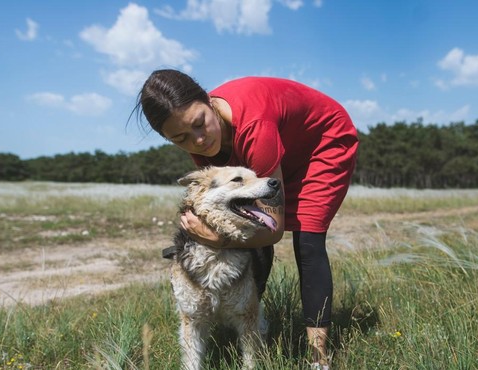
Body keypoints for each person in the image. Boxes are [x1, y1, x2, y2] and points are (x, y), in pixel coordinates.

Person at [135, 69, 358, 369]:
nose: (198, 141)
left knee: (307, 238)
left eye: (200, 124)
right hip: (281, 146)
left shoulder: (254, 126)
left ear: (209, 102)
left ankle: (319, 358)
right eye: (181, 138)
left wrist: (219, 239)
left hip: (322, 142)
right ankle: (248, 316)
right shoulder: (203, 139)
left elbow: (274, 228)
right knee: (243, 215)